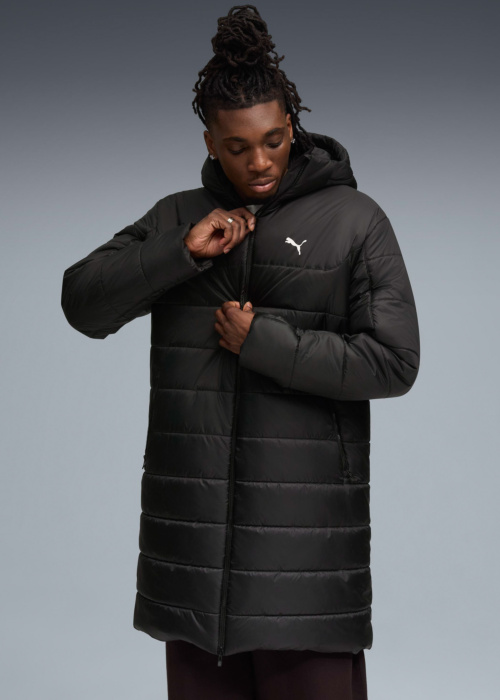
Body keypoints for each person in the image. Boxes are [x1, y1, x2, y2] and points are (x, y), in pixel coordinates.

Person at [61, 4, 420, 698]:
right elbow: (83, 304)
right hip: (192, 565)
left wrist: (264, 343)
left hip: (304, 567)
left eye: (274, 140)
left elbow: (395, 361)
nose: (259, 161)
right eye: (237, 146)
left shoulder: (354, 221)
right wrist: (181, 251)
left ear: (293, 124)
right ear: (209, 141)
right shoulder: (177, 217)